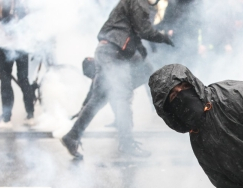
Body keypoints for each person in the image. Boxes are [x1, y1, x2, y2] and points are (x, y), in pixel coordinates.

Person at [60, 0, 174, 160]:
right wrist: (163, 38)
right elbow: (144, 30)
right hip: (113, 53)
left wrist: (145, 54)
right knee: (122, 96)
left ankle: (72, 137)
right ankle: (126, 144)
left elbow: (134, 34)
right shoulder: (138, 2)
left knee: (100, 98)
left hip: (111, 51)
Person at [0, 0, 36, 129]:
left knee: (6, 82)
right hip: (22, 47)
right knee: (24, 80)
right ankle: (30, 115)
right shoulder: (23, 4)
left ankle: (7, 119)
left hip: (5, 46)